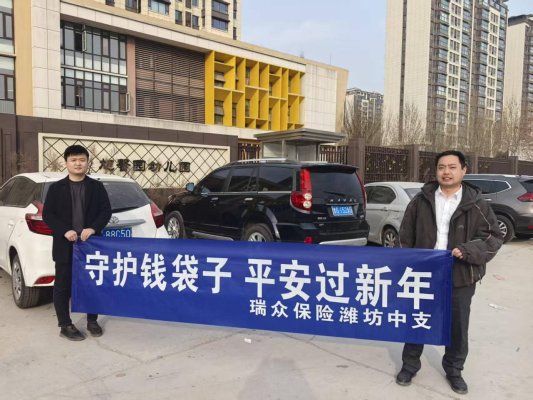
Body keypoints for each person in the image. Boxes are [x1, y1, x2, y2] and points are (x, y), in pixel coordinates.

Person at [395, 150, 502, 395]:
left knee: (457, 326)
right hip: (424, 275)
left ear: (463, 170)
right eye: (442, 167)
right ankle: (410, 365)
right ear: (436, 171)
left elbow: (493, 237)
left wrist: (467, 250)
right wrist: (406, 265)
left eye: (452, 167)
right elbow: (405, 236)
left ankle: (454, 370)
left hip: (460, 275)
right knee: (417, 321)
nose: (446, 172)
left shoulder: (477, 204)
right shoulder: (421, 201)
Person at [43, 145, 112, 341]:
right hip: (65, 245)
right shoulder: (56, 188)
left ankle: (92, 320)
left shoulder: (96, 187)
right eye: (73, 160)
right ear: (66, 163)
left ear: (87, 162)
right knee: (63, 286)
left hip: (90, 244)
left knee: (92, 283)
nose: (78, 164)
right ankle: (65, 324)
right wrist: (64, 230)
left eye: (82, 160)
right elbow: (48, 215)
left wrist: (93, 228)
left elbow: (105, 211)